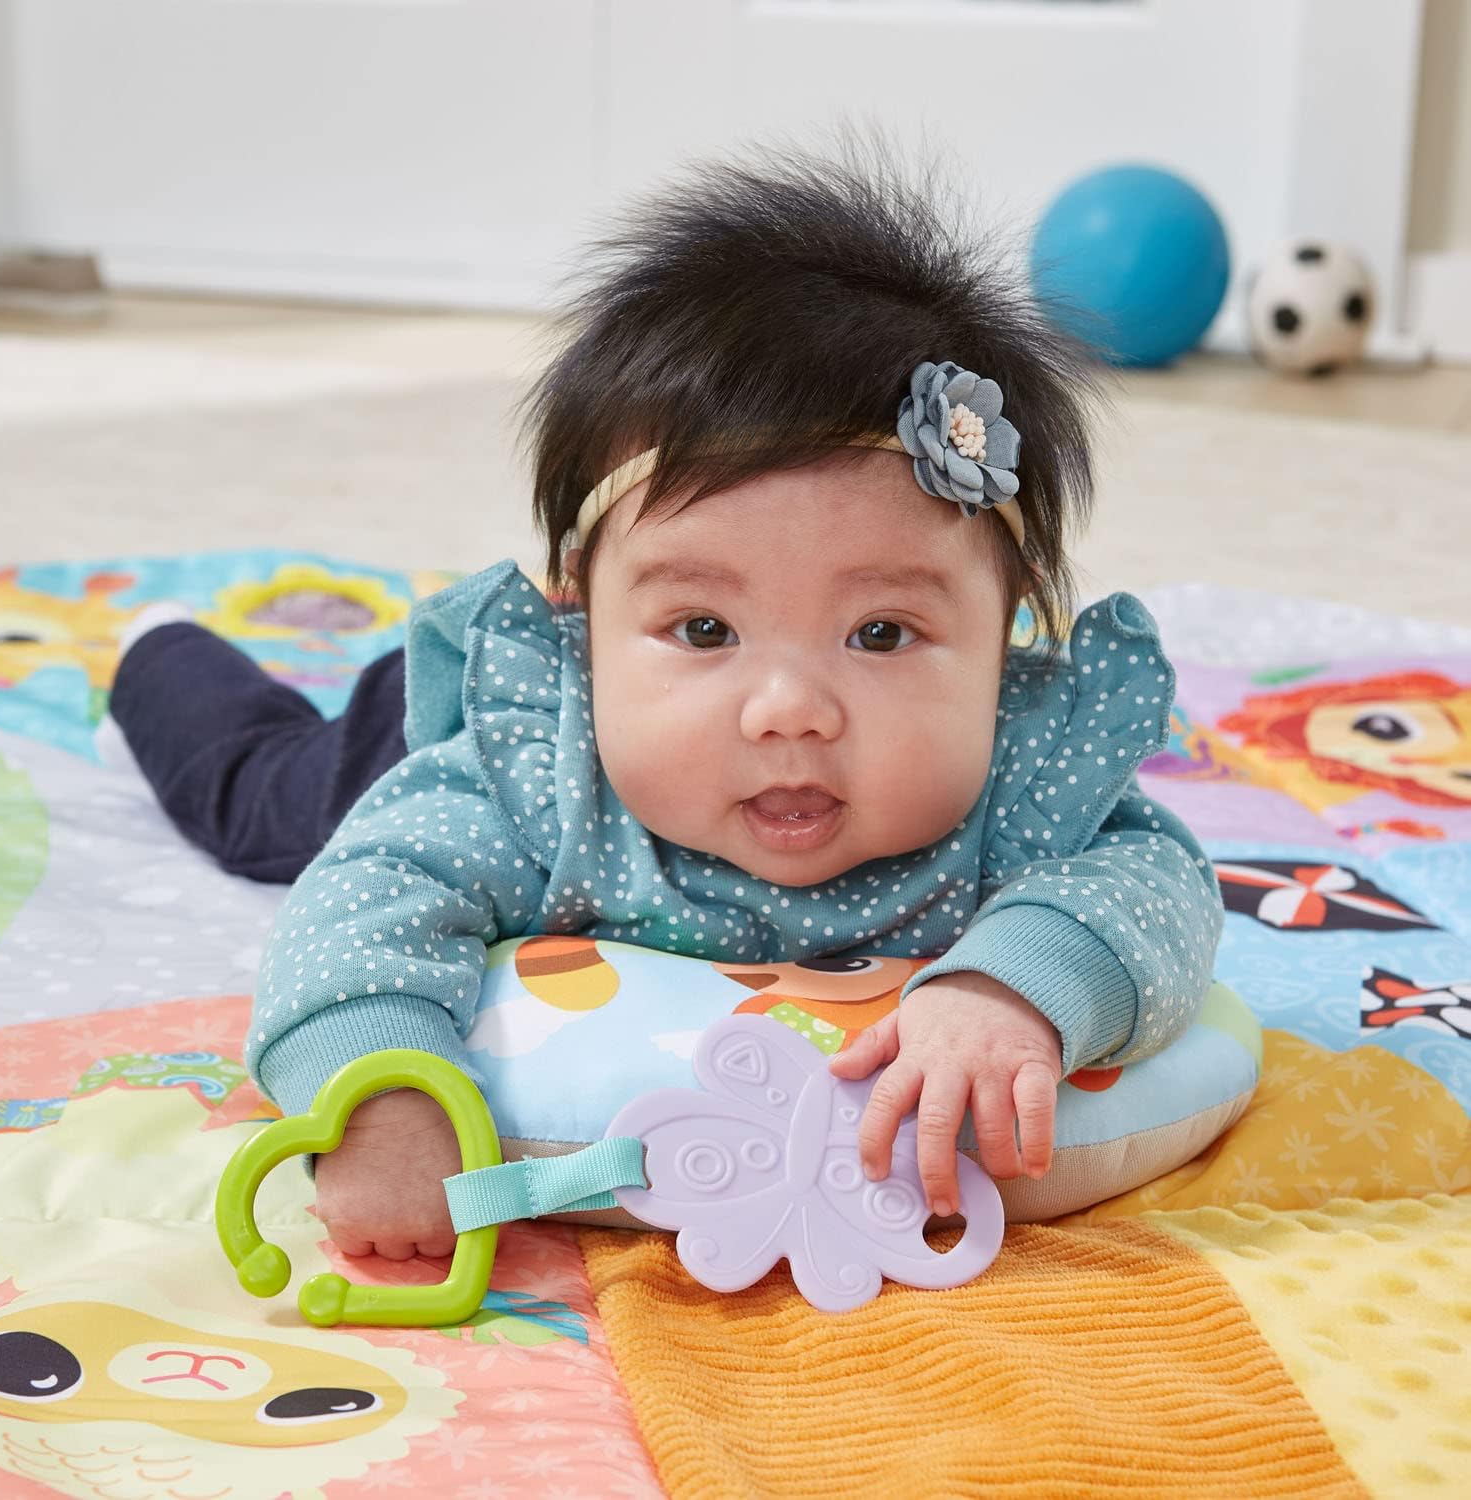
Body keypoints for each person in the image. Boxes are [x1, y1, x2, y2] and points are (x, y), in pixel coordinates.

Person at [107, 143, 1224, 1261]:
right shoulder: (529, 784)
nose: (788, 710)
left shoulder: (1024, 783)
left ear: (1007, 632)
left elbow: (1155, 890)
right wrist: (376, 1098)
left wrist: (1014, 991)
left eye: (881, 634)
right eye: (705, 630)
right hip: (420, 749)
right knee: (264, 805)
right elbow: (359, 910)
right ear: (581, 615)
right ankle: (160, 656)